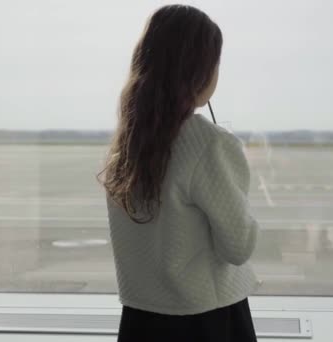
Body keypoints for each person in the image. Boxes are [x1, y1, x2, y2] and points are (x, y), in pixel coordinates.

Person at [98, 4, 260, 342]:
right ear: (200, 71)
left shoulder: (126, 143)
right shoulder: (210, 144)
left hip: (140, 319)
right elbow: (238, 247)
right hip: (205, 320)